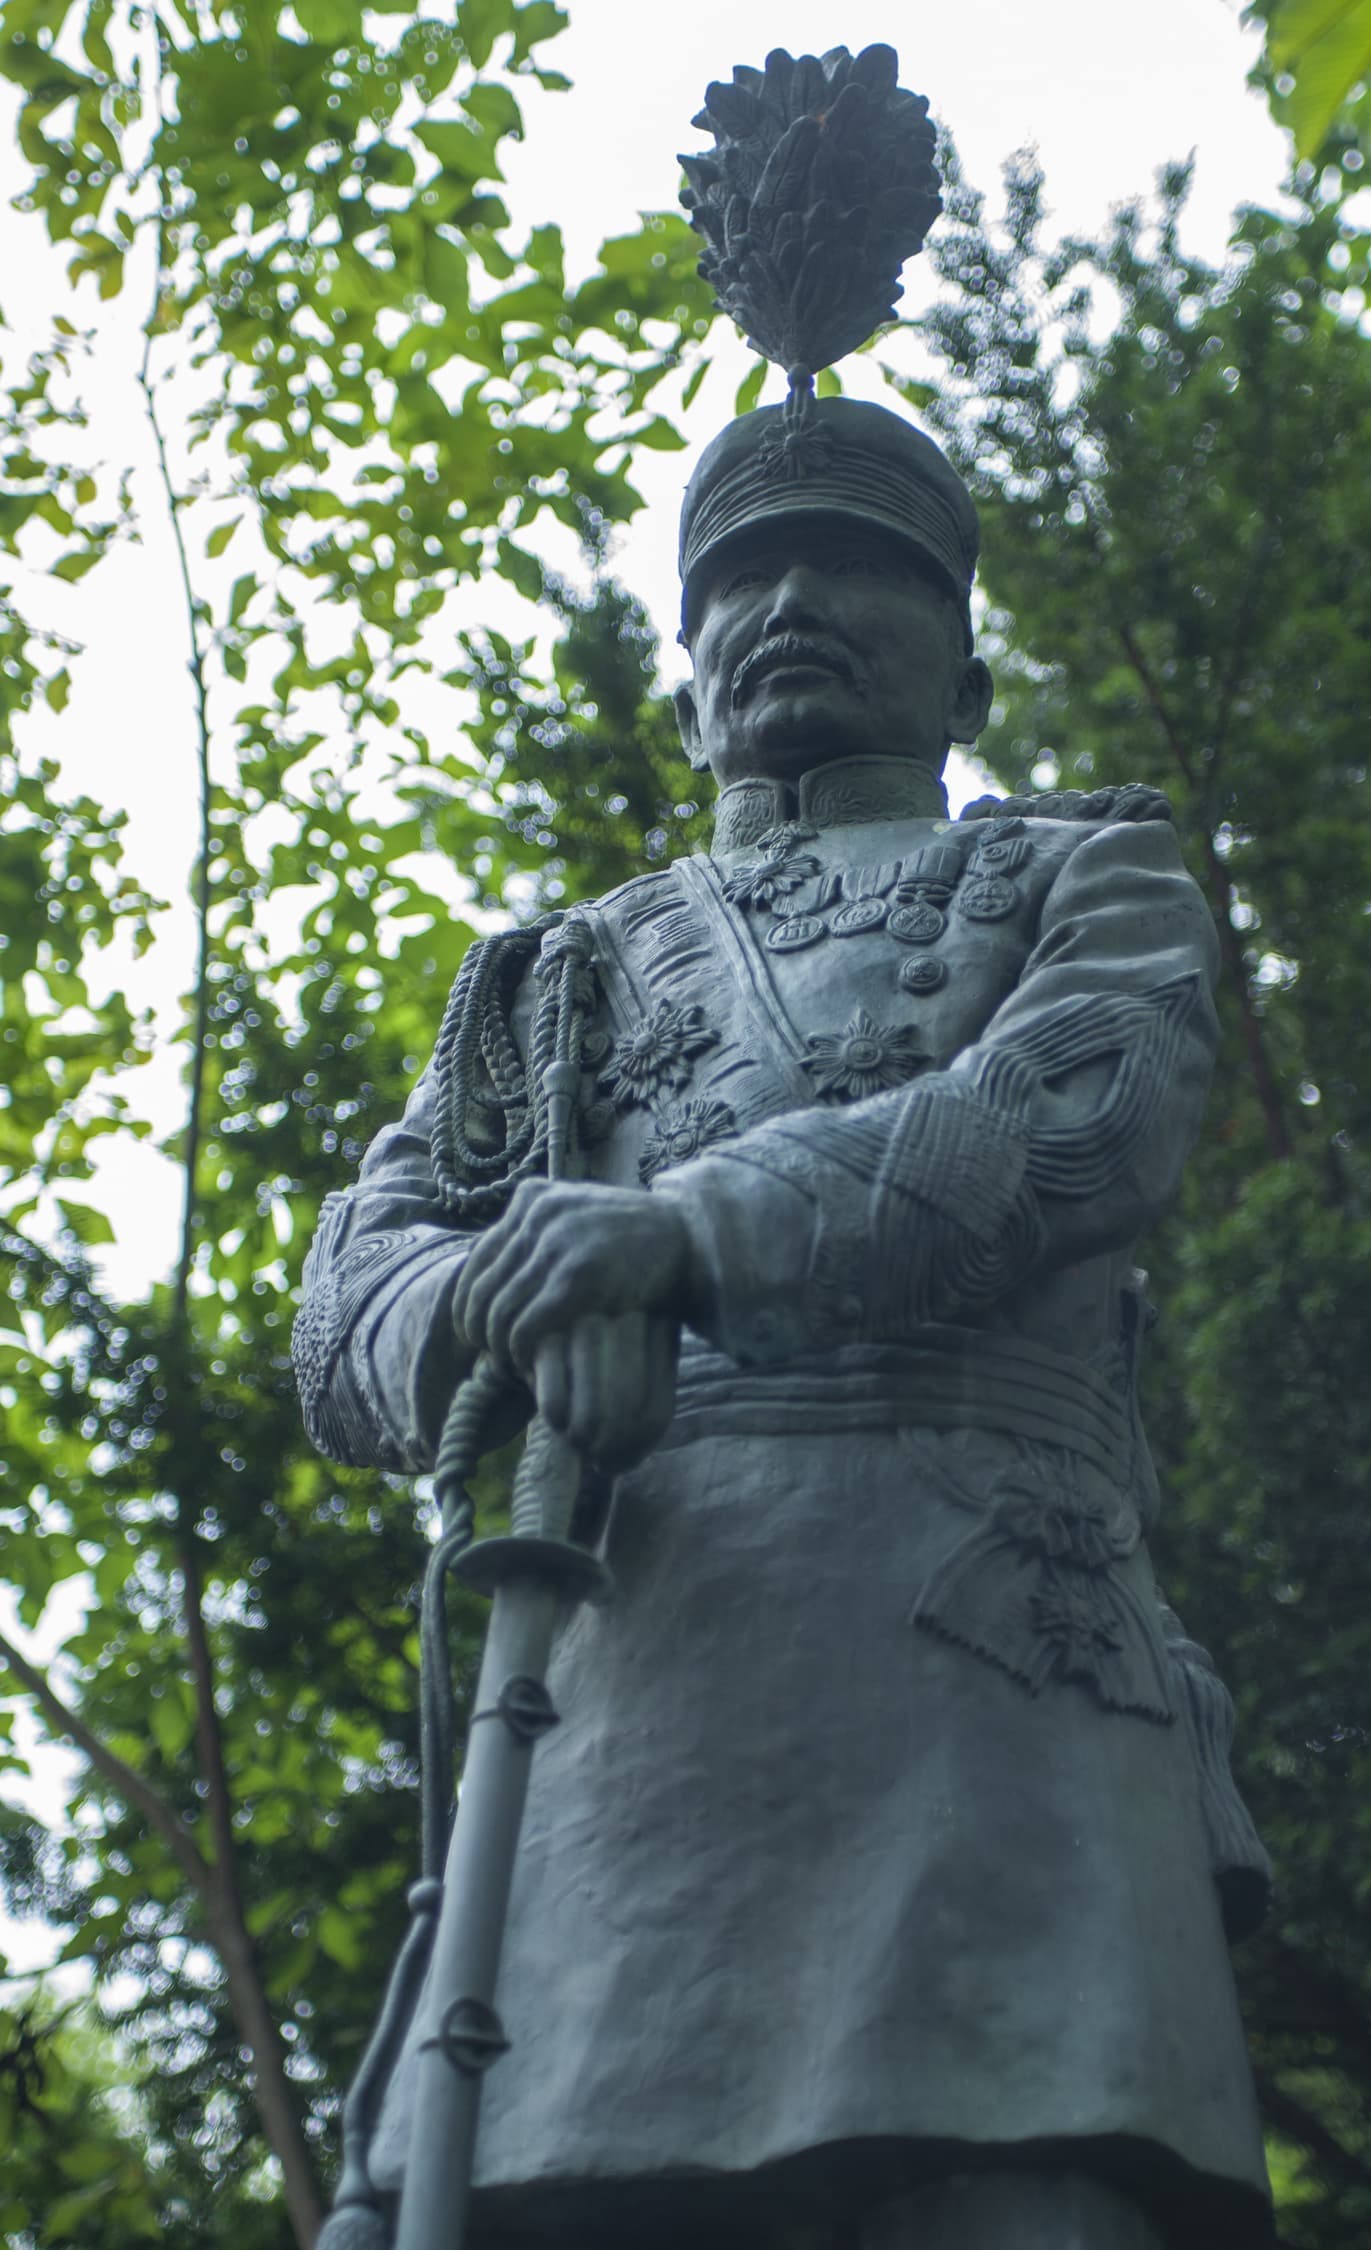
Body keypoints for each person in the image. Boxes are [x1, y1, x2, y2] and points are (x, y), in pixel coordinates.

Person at [295, 393, 1275, 2250]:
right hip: (621, 1716)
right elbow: (351, 1293)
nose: (792, 603)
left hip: (987, 1688)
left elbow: (1078, 1115)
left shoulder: (1087, 873)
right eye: (740, 581)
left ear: (968, 680)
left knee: (1014, 2193)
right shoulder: (555, 982)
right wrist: (512, 1299)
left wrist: (678, 1238)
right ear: (688, 699)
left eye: (854, 566)